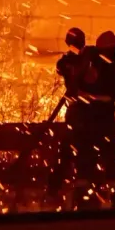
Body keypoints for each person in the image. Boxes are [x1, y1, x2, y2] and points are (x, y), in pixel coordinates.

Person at [72, 30, 115, 210]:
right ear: (111, 50)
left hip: (84, 121)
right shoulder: (109, 68)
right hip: (104, 122)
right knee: (112, 158)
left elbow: (77, 87)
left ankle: (84, 197)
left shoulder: (88, 64)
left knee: (85, 157)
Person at [47, 27, 88, 204]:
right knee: (83, 150)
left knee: (67, 150)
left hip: (76, 112)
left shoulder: (66, 62)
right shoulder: (87, 60)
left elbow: (61, 68)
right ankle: (83, 187)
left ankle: (55, 188)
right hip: (88, 113)